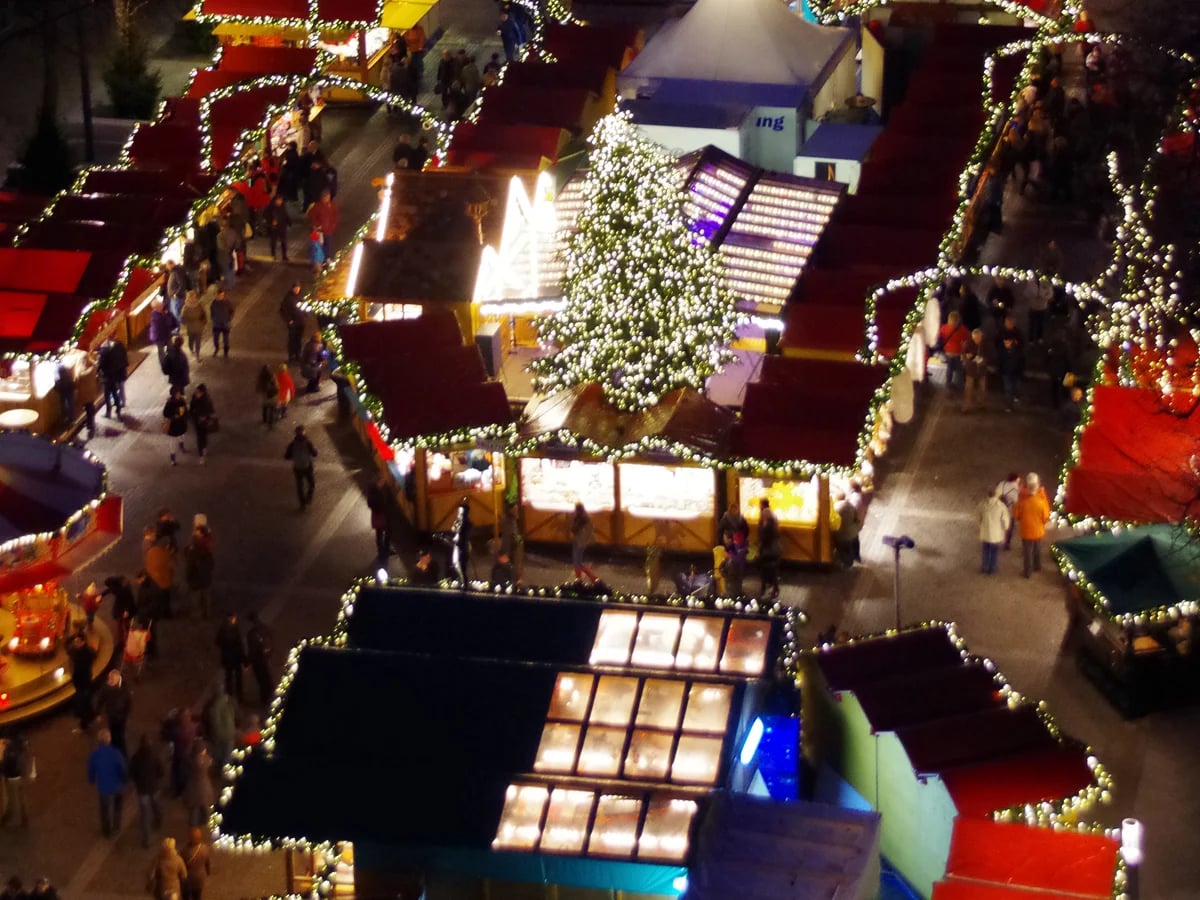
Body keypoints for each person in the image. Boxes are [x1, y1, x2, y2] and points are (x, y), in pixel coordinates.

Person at [87, 728, 127, 837]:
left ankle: (107, 831)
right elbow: (122, 769)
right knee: (117, 807)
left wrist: (91, 780)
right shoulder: (116, 753)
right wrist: (124, 779)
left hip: (104, 788)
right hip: (117, 786)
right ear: (109, 739)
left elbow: (91, 770)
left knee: (105, 811)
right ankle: (116, 827)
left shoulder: (95, 755)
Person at [129, 734, 165, 848]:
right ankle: (158, 820)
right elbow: (161, 771)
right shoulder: (154, 756)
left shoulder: (135, 757)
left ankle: (146, 840)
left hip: (142, 790)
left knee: (144, 815)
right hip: (154, 787)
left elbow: (131, 773)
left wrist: (137, 782)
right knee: (156, 806)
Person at [1013, 472, 1051, 578]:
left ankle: (1027, 572)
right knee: (1037, 549)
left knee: (1027, 552)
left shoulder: (1022, 500)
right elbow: (1045, 517)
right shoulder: (1041, 501)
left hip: (1026, 530)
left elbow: (1016, 514)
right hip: (1038, 530)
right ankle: (1037, 566)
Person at [67, 624, 97, 731]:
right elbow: (66, 645)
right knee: (85, 701)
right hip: (79, 680)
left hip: (84, 680)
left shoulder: (85, 653)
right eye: (75, 642)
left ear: (83, 642)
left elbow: (83, 665)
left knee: (83, 701)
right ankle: (90, 717)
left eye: (78, 642)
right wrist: (75, 635)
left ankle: (84, 723)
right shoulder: (75, 650)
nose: (76, 643)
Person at [185, 516, 215, 618]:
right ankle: (207, 616)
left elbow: (190, 565)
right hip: (205, 579)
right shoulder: (207, 549)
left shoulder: (193, 551)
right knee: (206, 599)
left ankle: (197, 619)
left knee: (196, 601)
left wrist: (188, 577)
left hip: (196, 580)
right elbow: (211, 564)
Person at [0, 732, 32, 827]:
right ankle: (25, 818)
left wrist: (1, 768)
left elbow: (6, 766)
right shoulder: (20, 747)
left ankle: (7, 820)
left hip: (12, 778)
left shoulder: (9, 752)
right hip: (21, 776)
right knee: (22, 799)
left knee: (12, 801)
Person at [98, 669, 133, 756]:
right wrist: (98, 712)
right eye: (109, 679)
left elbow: (129, 702)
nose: (109, 681)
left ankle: (122, 755)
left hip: (122, 717)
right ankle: (114, 751)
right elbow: (101, 699)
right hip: (111, 715)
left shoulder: (125, 687)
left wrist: (126, 714)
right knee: (113, 734)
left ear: (118, 679)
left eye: (111, 680)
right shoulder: (106, 687)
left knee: (120, 737)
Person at [977, 486, 1011, 575]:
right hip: (996, 534)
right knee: (994, 552)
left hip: (985, 532)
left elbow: (978, 516)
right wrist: (1006, 528)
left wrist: (981, 524)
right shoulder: (1001, 506)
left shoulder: (982, 504)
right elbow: (1005, 519)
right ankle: (992, 568)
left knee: (985, 550)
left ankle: (984, 567)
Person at [285, 425, 318, 509]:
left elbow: (287, 456)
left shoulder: (292, 444)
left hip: (297, 467)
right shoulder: (308, 443)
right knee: (311, 483)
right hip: (307, 466)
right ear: (304, 432)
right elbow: (315, 454)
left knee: (300, 486)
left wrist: (294, 455)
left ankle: (302, 504)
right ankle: (308, 498)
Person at [996, 314, 1024, 411]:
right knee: (1008, 388)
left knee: (1016, 386)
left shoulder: (1017, 334)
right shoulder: (1001, 333)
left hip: (1015, 369)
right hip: (1006, 369)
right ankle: (1009, 405)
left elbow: (1021, 350)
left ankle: (1016, 398)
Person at [215, 612, 247, 700]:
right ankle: (239, 696)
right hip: (235, 657)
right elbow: (240, 644)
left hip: (227, 658)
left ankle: (230, 694)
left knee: (229, 677)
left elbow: (217, 642)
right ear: (231, 619)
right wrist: (244, 659)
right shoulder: (235, 629)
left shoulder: (222, 629)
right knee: (237, 677)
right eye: (234, 619)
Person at [204, 680, 236, 765]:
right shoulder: (229, 701)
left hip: (217, 734)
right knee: (226, 756)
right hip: (225, 733)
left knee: (220, 755)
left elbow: (206, 720)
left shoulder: (210, 705)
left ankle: (221, 769)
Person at [246, 611, 274, 705]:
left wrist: (248, 662)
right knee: (267, 677)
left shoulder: (252, 634)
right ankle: (271, 696)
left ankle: (265, 699)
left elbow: (252, 649)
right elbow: (271, 639)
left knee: (261, 679)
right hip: (266, 657)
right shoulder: (265, 628)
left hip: (258, 660)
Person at [97, 337, 129, 417]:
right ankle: (118, 408)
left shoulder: (104, 354)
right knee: (115, 391)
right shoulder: (115, 350)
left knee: (107, 395)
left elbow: (100, 365)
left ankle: (109, 412)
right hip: (114, 374)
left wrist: (98, 370)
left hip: (107, 377)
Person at [183, 743, 214, 829]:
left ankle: (193, 825)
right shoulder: (207, 760)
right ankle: (206, 822)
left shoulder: (191, 760)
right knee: (205, 807)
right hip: (205, 786)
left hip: (193, 787)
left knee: (194, 808)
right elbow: (210, 762)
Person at [938, 311, 970, 389]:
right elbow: (968, 338)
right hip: (958, 351)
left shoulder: (945, 327)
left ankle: (948, 382)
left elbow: (939, 335)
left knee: (949, 368)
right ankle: (961, 384)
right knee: (959, 368)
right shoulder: (962, 328)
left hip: (948, 351)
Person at [757, 499, 781, 600]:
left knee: (767, 570)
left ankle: (769, 588)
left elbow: (764, 538)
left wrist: (759, 549)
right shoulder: (772, 523)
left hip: (768, 551)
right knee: (770, 570)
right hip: (772, 551)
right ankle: (771, 587)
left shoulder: (768, 525)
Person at [570, 502, 598, 583]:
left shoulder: (581, 518)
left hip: (579, 542)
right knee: (576, 561)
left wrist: (572, 519)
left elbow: (574, 529)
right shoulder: (582, 517)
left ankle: (591, 577)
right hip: (579, 541)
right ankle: (579, 578)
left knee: (577, 562)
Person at [833, 490, 862, 568]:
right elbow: (857, 519)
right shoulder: (850, 506)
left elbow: (833, 522)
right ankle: (857, 558)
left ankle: (848, 565)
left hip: (843, 535)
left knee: (845, 551)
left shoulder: (835, 508)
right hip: (854, 532)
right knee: (855, 546)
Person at [962, 328, 988, 413]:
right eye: (975, 338)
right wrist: (967, 358)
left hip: (981, 370)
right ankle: (967, 406)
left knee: (982, 389)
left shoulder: (985, 344)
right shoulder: (968, 344)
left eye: (978, 338)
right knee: (969, 389)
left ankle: (982, 404)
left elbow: (988, 356)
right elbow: (964, 356)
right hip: (971, 370)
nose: (977, 340)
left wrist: (982, 360)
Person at [182, 827, 212, 900]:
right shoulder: (205, 849)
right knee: (197, 897)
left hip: (188, 879)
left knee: (186, 897)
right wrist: (208, 872)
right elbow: (207, 864)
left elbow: (181, 865)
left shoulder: (185, 850)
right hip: (199, 879)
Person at [306, 189, 338, 259]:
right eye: (326, 197)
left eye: (329, 197)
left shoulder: (332, 205)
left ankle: (327, 258)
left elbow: (335, 215)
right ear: (323, 197)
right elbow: (311, 217)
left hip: (328, 230)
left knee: (328, 244)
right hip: (319, 231)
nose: (328, 199)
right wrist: (317, 225)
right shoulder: (317, 206)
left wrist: (333, 224)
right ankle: (320, 260)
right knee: (319, 246)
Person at [366, 475, 392, 559]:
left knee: (387, 533)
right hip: (380, 516)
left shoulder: (380, 490)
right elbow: (371, 504)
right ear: (378, 482)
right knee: (380, 535)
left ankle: (386, 549)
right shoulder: (375, 493)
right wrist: (381, 508)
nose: (383, 482)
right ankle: (382, 552)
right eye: (381, 481)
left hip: (384, 515)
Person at [189, 384, 216, 461]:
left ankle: (204, 447)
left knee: (204, 435)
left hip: (204, 422)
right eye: (196, 391)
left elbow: (211, 411)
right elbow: (191, 409)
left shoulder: (207, 400)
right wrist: (192, 416)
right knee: (199, 437)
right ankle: (201, 455)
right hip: (196, 420)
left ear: (203, 393)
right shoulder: (194, 397)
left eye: (199, 392)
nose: (197, 393)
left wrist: (205, 416)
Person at [280, 282, 306, 362]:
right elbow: (283, 310)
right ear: (292, 288)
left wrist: (305, 314)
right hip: (293, 322)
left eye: (298, 288)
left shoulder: (300, 297)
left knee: (298, 339)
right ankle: (291, 356)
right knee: (292, 340)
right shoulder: (288, 298)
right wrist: (289, 320)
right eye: (296, 288)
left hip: (300, 322)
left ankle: (298, 355)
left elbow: (305, 306)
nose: (297, 290)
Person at [163, 386, 189, 466]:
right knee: (173, 441)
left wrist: (184, 416)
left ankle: (181, 445)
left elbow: (186, 411)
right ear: (173, 394)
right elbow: (165, 413)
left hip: (181, 423)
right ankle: (172, 458)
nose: (179, 395)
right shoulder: (169, 403)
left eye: (179, 393)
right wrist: (173, 416)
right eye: (177, 393)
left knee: (182, 436)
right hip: (173, 425)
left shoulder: (182, 401)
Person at [179, 291, 207, 358]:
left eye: (194, 297)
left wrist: (204, 322)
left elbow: (204, 314)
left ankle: (197, 354)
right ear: (188, 298)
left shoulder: (199, 304)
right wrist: (186, 323)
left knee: (198, 342)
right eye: (192, 297)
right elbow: (182, 318)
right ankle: (191, 349)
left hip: (199, 327)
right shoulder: (185, 307)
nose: (194, 299)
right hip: (190, 328)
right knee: (191, 341)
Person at [149, 301, 176, 370]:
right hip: (159, 337)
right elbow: (167, 323)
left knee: (170, 349)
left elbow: (171, 320)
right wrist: (167, 315)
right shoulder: (155, 316)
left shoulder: (164, 311)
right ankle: (164, 366)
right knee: (161, 352)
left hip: (166, 335)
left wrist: (168, 313)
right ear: (157, 308)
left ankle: (171, 363)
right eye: (161, 305)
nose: (163, 306)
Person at [265, 194, 292, 262]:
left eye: (281, 200)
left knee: (283, 242)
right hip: (274, 228)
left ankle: (284, 255)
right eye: (278, 200)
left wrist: (289, 222)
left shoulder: (283, 207)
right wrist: (271, 221)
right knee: (273, 242)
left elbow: (285, 215)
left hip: (282, 227)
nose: (280, 202)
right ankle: (273, 255)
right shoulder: (271, 207)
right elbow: (266, 215)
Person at [209, 287, 233, 358]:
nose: (221, 297)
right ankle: (216, 349)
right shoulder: (214, 303)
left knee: (226, 340)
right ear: (216, 295)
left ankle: (226, 353)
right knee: (215, 339)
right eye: (219, 295)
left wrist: (229, 319)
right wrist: (213, 319)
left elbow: (232, 311)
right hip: (216, 324)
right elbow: (212, 312)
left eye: (222, 295)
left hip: (225, 324)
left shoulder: (227, 302)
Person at [453, 498, 472, 582]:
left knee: (461, 564)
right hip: (457, 545)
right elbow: (453, 529)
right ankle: (460, 579)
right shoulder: (458, 522)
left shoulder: (467, 524)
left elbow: (463, 534)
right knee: (455, 563)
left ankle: (464, 581)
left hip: (462, 547)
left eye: (460, 512)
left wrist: (457, 528)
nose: (458, 514)